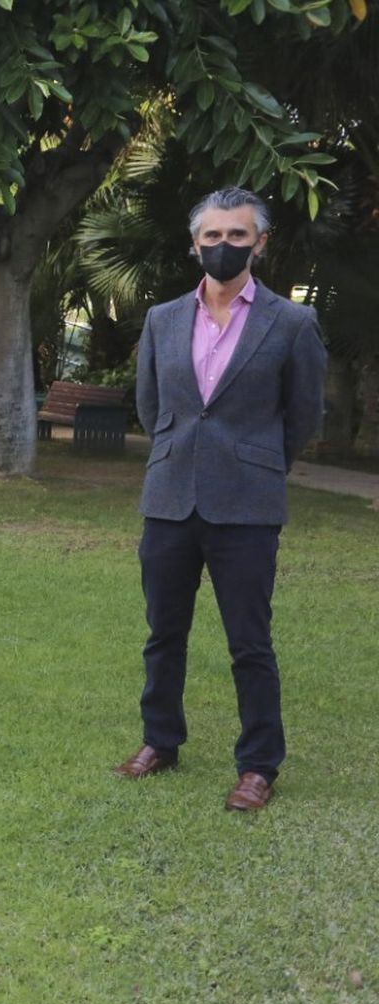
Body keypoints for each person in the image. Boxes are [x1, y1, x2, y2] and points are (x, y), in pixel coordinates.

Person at [114, 186, 327, 811]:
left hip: (248, 505)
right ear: (195, 243)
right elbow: (152, 406)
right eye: (213, 235)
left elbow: (303, 416)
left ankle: (258, 764)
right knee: (163, 632)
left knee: (250, 642)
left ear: (260, 244)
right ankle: (160, 741)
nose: (224, 245)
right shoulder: (163, 319)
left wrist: (258, 464)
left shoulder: (292, 323)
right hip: (169, 498)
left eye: (237, 235)